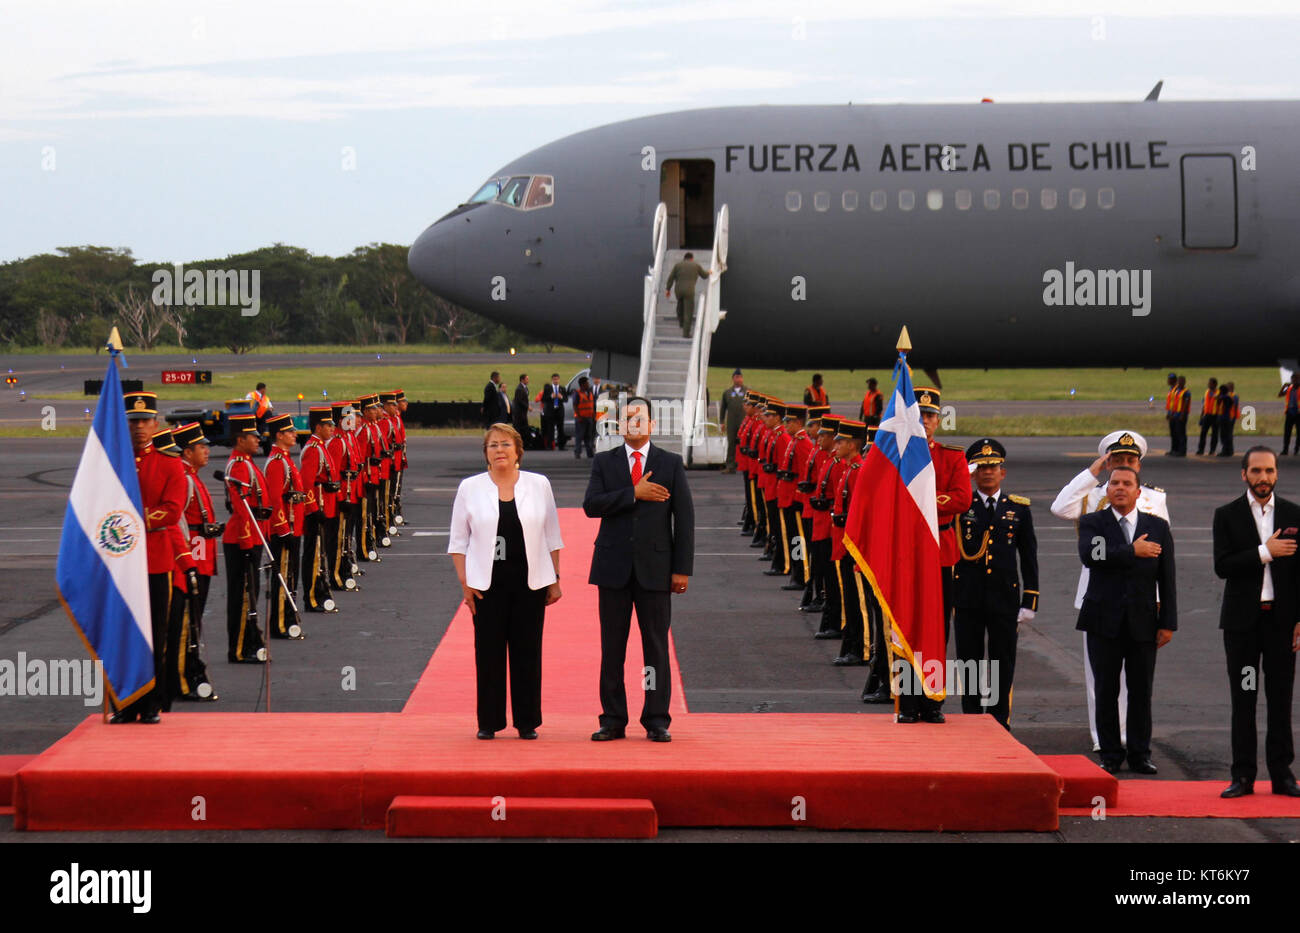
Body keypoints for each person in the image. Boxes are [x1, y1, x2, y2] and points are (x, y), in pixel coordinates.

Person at [1051, 429, 1169, 752]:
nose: (1124, 464)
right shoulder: (1091, 496)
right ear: (1107, 462)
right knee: (1100, 680)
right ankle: (1103, 739)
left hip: (1141, 598)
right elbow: (1060, 508)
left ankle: (1132, 740)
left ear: (1139, 466)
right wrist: (1091, 474)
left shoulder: (1155, 499)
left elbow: (1161, 555)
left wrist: (1159, 601)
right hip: (1099, 595)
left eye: (1131, 460)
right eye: (1117, 460)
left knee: (1137, 681)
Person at [584, 396, 694, 742]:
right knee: (612, 648)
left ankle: (656, 718)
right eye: (627, 418)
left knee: (655, 648)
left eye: (640, 418)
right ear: (619, 425)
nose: (633, 423)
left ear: (652, 425)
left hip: (656, 570)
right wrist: (633, 492)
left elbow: (685, 519)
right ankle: (613, 718)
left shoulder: (670, 463)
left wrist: (681, 569)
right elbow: (591, 505)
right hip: (612, 568)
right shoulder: (605, 462)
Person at [448, 424, 564, 739]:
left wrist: (555, 578)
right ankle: (489, 721)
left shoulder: (539, 484)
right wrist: (465, 584)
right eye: (493, 445)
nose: (500, 450)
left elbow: (552, 534)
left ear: (517, 451)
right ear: (485, 453)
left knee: (528, 652)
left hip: (531, 583)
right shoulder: (469, 488)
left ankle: (527, 722)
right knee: (488, 653)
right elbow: (458, 542)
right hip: (486, 586)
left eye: (506, 445)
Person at [1213, 446, 1300, 798]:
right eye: (1256, 471)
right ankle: (1243, 775)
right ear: (1244, 474)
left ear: (1276, 473)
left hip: (1281, 625)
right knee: (1244, 698)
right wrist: (1266, 552)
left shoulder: (1295, 514)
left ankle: (1282, 774)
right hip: (1243, 626)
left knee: (1281, 699)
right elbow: (1223, 565)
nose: (1263, 478)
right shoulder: (1228, 515)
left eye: (1269, 471)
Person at [1077, 466, 1176, 774]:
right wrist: (1132, 550)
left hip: (1143, 621)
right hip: (1101, 621)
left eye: (1127, 483)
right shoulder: (1093, 522)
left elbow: (1167, 577)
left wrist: (1168, 622)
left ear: (1138, 491)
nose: (1120, 488)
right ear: (1108, 490)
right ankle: (1109, 753)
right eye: (1114, 483)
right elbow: (1092, 556)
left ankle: (1139, 753)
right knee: (1106, 690)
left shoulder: (1157, 527)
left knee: (1140, 690)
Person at [952, 439, 1038, 729]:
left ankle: (1000, 721)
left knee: (1002, 661)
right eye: (982, 467)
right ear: (973, 473)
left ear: (1003, 471)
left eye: (993, 467)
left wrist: (1030, 600)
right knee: (970, 661)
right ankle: (973, 721)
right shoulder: (961, 507)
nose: (988, 472)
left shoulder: (1018, 509)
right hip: (968, 596)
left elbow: (1028, 557)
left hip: (1004, 597)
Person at [112, 392, 187, 724]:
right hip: (121, 563)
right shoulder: (113, 463)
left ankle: (153, 702)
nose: (139, 427)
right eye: (133, 422)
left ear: (156, 424)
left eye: (145, 421)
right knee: (123, 635)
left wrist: (133, 520)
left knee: (155, 634)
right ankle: (125, 703)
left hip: (155, 561)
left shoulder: (170, 464)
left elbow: (172, 512)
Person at [169, 421, 221, 703]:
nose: (207, 452)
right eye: (202, 447)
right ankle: (181, 680)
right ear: (187, 452)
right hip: (192, 561)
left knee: (193, 621)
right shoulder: (184, 478)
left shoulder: (193, 476)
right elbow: (177, 522)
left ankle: (190, 672)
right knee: (186, 622)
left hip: (201, 559)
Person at [222, 414, 270, 663]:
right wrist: (247, 543)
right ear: (240, 439)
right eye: (253, 436)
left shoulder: (247, 462)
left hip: (253, 537)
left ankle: (250, 641)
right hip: (243, 539)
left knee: (251, 593)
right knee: (242, 595)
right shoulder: (239, 466)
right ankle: (239, 648)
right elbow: (242, 510)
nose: (257, 440)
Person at [263, 413, 307, 640]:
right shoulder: (278, 463)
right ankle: (279, 622)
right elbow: (274, 499)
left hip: (294, 525)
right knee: (282, 577)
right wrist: (283, 529)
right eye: (290, 432)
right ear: (279, 435)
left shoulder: (286, 459)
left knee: (291, 576)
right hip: (284, 529)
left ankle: (288, 618)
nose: (294, 434)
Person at [299, 407, 339, 613]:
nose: (332, 428)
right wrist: (313, 509)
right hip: (316, 508)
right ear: (318, 427)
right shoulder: (313, 449)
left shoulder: (321, 446)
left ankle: (319, 591)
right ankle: (311, 596)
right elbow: (306, 484)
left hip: (326, 505)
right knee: (313, 554)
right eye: (328, 425)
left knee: (319, 553)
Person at [665, 252, 710, 337]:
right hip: (689, 291)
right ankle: (686, 334)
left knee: (680, 306)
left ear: (684, 258)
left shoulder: (677, 265)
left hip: (678, 290)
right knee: (688, 312)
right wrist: (709, 272)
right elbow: (704, 275)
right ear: (692, 258)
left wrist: (668, 289)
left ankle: (681, 323)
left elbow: (671, 278)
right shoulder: (695, 265)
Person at [722, 369, 747, 474]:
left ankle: (743, 465)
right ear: (733, 379)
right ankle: (730, 465)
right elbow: (723, 408)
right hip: (732, 422)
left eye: (740, 377)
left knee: (744, 443)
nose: (739, 379)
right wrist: (721, 421)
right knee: (731, 443)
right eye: (736, 377)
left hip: (744, 422)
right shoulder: (727, 393)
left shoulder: (747, 392)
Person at [541, 373, 568, 451]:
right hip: (550, 411)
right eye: (554, 379)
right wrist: (551, 396)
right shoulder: (548, 389)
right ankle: (550, 445)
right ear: (552, 380)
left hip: (559, 411)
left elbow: (566, 399)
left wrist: (561, 397)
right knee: (550, 429)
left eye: (557, 379)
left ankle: (561, 446)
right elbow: (543, 399)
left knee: (560, 429)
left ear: (559, 380)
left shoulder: (562, 388)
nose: (556, 381)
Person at [1165, 373, 1191, 456]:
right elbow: (1173, 403)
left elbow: (1186, 404)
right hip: (1174, 414)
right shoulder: (1174, 390)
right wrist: (1169, 413)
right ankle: (1174, 449)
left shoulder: (1185, 392)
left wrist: (1183, 414)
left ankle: (1182, 450)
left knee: (1181, 433)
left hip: (1180, 414)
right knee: (1174, 433)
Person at [571, 375, 597, 459]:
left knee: (588, 437)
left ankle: (589, 453)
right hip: (581, 418)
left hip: (589, 418)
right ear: (582, 384)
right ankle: (577, 452)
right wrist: (578, 416)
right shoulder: (577, 394)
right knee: (579, 436)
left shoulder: (589, 393)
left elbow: (592, 405)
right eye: (586, 383)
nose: (588, 384)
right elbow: (575, 405)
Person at [1196, 377, 1221, 456]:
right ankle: (1201, 450)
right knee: (1203, 433)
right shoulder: (1206, 392)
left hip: (1215, 416)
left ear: (1215, 384)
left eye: (1210, 383)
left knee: (1214, 434)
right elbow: (1204, 405)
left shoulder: (1219, 393)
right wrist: (1201, 415)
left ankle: (1212, 450)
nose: (1208, 384)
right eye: (1208, 383)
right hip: (1207, 415)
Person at [1218, 382, 1240, 458]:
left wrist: (1233, 417)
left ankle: (1227, 450)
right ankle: (1229, 450)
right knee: (1228, 434)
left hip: (1229, 417)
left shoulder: (1232, 397)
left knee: (1226, 434)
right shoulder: (1228, 396)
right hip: (1229, 417)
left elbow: (1235, 407)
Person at [1281, 373, 1300, 455]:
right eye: (1293, 379)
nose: (1294, 381)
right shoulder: (1289, 388)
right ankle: (1285, 449)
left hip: (1298, 413)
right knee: (1287, 432)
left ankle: (1296, 449)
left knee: (1299, 433)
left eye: (1296, 380)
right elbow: (1280, 394)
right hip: (1289, 412)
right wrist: (1284, 387)